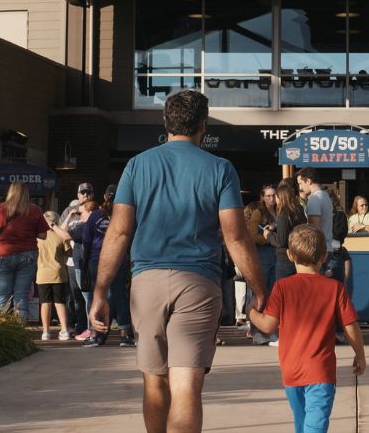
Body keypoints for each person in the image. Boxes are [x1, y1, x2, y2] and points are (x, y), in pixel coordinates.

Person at [90, 89, 267, 433]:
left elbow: (119, 233)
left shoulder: (137, 166)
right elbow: (235, 236)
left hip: (146, 283)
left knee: (155, 383)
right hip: (198, 284)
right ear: (203, 124)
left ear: (165, 122)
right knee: (186, 384)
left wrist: (100, 291)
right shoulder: (220, 169)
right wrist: (260, 291)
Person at [247, 225, 366, 433]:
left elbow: (267, 325)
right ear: (323, 256)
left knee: (301, 423)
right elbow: (350, 326)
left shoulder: (282, 287)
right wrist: (360, 354)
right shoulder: (334, 288)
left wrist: (251, 312)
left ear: (289, 255)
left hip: (291, 371)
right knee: (314, 426)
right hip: (320, 372)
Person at [0, 180, 51, 322]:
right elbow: (43, 235)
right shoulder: (35, 210)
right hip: (27, 254)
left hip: (3, 254)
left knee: (1, 297)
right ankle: (19, 332)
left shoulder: (1, 209)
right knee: (21, 296)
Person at [84, 188, 134, 348]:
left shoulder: (95, 215)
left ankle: (96, 335)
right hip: (120, 259)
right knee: (120, 296)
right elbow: (130, 236)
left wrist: (85, 260)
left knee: (97, 296)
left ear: (104, 197)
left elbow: (86, 239)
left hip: (97, 259)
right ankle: (125, 335)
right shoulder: (126, 213)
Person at [245, 183, 279, 345]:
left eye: (273, 195)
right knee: (259, 293)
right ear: (262, 197)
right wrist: (268, 238)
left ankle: (268, 330)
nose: (271, 199)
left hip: (275, 254)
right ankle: (256, 329)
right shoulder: (258, 213)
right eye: (268, 196)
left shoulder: (279, 211)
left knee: (272, 293)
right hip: (263, 254)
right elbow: (252, 236)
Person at [296, 169, 343, 282]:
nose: (300, 188)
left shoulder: (314, 199)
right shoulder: (325, 196)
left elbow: (314, 229)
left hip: (318, 251)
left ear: (308, 181)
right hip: (326, 248)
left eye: (301, 183)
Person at [62, 183, 95, 335]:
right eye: (83, 192)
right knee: (75, 297)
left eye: (88, 192)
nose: (85, 195)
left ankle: (90, 327)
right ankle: (80, 326)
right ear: (78, 195)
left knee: (88, 295)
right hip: (72, 259)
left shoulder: (95, 210)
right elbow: (61, 233)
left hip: (89, 259)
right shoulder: (69, 211)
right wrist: (69, 216)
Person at [36, 210, 74, 341]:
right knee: (60, 302)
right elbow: (70, 253)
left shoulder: (38, 237)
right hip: (59, 272)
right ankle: (64, 330)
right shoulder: (60, 236)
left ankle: (45, 332)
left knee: (45, 303)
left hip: (41, 273)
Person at [270, 179, 309, 285]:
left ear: (281, 197)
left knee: (284, 291)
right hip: (299, 255)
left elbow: (281, 241)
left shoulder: (283, 213)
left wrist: (268, 235)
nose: (275, 200)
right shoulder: (299, 210)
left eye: (276, 197)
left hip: (284, 258)